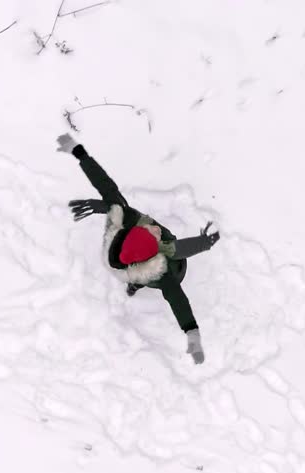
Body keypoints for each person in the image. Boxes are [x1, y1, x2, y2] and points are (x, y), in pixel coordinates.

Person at [56, 133, 220, 364]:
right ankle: (136, 284)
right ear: (151, 254)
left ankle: (134, 285)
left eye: (149, 230)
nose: (156, 228)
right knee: (168, 255)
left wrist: (78, 152)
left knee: (145, 259)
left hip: (140, 262)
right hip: (176, 270)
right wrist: (192, 332)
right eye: (154, 235)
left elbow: (104, 184)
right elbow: (178, 297)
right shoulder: (162, 271)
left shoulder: (122, 225)